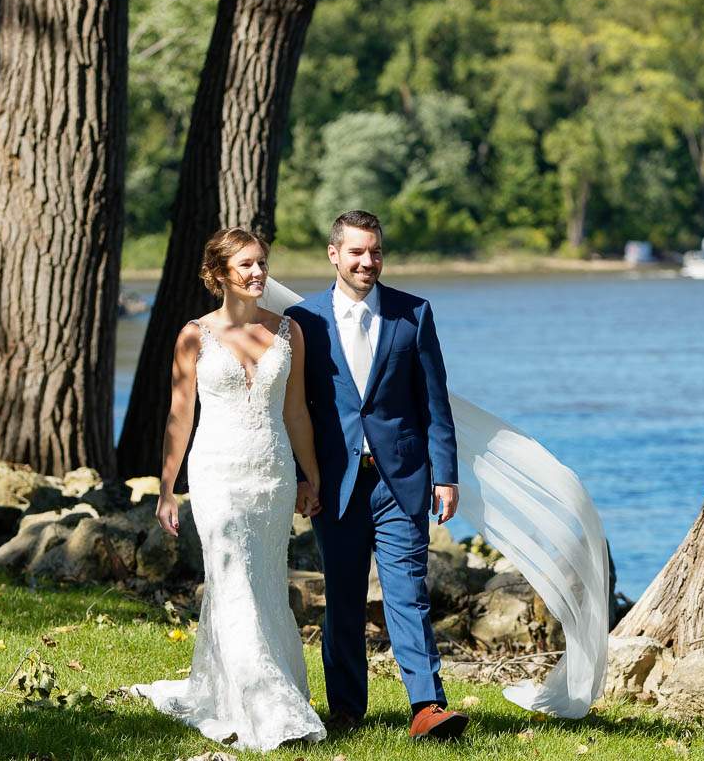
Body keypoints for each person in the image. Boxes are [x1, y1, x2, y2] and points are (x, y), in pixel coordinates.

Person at [131, 228, 327, 752]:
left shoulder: (289, 332)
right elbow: (180, 414)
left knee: (261, 583)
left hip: (272, 474)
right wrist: (167, 488)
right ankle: (270, 708)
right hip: (216, 472)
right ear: (219, 275)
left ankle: (242, 692)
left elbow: (295, 411)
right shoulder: (194, 335)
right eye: (246, 265)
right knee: (232, 580)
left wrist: (311, 476)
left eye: (262, 263)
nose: (259, 273)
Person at [287, 209, 469, 740]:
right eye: (357, 252)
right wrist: (304, 476)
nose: (368, 261)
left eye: (375, 251)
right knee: (342, 598)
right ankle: (345, 708)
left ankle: (427, 707)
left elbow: (435, 401)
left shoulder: (415, 314)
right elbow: (297, 408)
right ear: (334, 255)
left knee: (408, 591)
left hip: (402, 479)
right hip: (337, 482)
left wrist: (446, 474)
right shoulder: (305, 319)